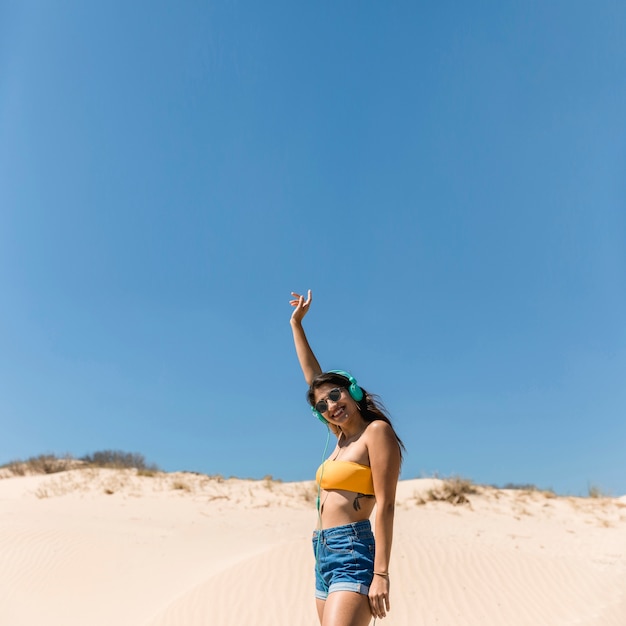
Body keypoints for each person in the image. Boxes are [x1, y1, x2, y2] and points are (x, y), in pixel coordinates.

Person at [290, 290, 404, 626]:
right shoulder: (339, 439)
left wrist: (380, 573)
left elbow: (386, 504)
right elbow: (314, 380)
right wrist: (296, 324)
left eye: (335, 395)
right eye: (322, 405)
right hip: (322, 553)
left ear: (353, 392)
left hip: (351, 551)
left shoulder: (376, 433)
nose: (330, 406)